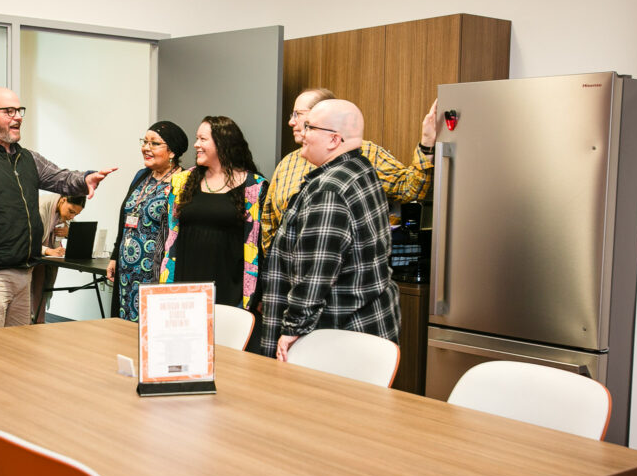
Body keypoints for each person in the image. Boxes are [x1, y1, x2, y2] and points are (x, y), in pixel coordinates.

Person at [0, 87, 116, 328]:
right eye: (8, 111)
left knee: (17, 356)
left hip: (25, 274)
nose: (18, 117)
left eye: (19, 111)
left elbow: (61, 177)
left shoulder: (28, 158)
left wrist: (85, 179)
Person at [259, 99, 400, 360]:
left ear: (334, 140)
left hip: (336, 336)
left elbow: (316, 272)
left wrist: (293, 328)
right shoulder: (360, 168)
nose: (301, 132)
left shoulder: (329, 189)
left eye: (310, 127)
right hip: (366, 324)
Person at [260, 88, 439, 251]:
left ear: (321, 115)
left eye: (297, 114)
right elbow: (269, 221)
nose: (291, 122)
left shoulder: (365, 153)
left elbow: (409, 189)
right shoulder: (287, 164)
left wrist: (426, 144)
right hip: (292, 279)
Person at [160, 116, 267, 309]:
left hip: (230, 289)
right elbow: (169, 236)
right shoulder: (182, 182)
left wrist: (258, 293)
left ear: (222, 142)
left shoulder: (254, 187)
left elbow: (260, 244)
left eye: (202, 139)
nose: (195, 145)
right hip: (184, 285)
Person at [105, 121, 188, 321]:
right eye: (145, 142)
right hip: (127, 269)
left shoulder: (182, 181)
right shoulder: (141, 176)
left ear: (172, 152)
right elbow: (124, 220)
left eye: (154, 143)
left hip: (155, 270)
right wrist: (115, 256)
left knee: (150, 324)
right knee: (123, 322)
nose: (146, 148)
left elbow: (179, 232)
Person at [29, 194, 86, 323]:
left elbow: (78, 230)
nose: (71, 217)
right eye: (71, 212)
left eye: (75, 215)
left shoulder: (62, 212)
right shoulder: (42, 207)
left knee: (41, 286)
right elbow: (28, 240)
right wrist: (49, 250)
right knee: (27, 290)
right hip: (27, 255)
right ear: (63, 200)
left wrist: (68, 232)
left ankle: (38, 322)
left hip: (41, 258)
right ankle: (28, 323)